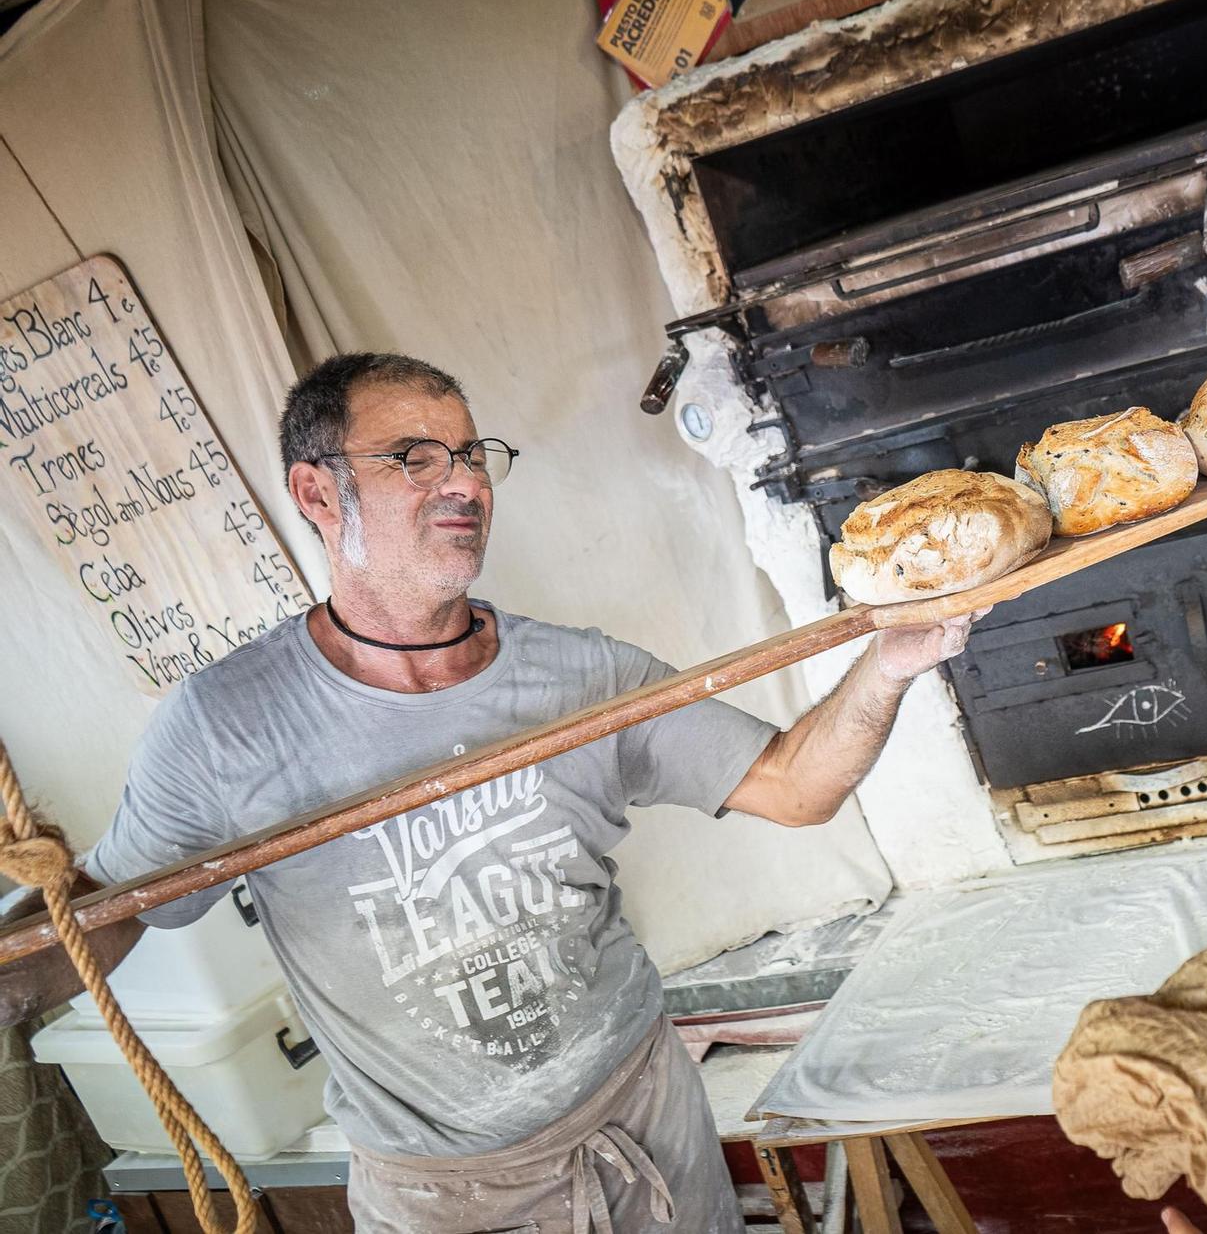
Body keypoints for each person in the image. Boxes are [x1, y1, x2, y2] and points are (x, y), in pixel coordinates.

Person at [0, 353, 981, 1233]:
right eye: (414, 458)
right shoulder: (224, 724)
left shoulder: (579, 677)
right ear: (317, 491)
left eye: (472, 454)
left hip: (644, 1121)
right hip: (447, 1196)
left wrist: (891, 660)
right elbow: (105, 915)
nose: (464, 480)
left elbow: (795, 785)